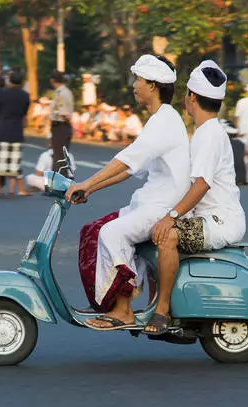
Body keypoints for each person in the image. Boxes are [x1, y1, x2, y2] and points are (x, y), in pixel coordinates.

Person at [66, 54, 190, 330]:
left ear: (153, 86)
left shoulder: (164, 121)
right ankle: (107, 302)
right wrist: (92, 188)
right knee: (92, 229)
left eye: (139, 80)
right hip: (148, 202)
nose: (134, 85)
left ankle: (123, 310)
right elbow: (131, 169)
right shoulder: (160, 119)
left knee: (112, 233)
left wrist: (86, 183)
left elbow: (127, 159)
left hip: (162, 207)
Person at [144, 60, 246, 334]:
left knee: (167, 235)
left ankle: (162, 311)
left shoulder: (208, 135)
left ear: (192, 98)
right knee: (152, 228)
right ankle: (157, 303)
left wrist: (171, 216)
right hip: (210, 217)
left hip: (219, 221)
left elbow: (201, 186)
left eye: (186, 95)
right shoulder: (207, 132)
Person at [0, 70, 32, 197]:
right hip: (17, 130)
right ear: (22, 81)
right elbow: (24, 112)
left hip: (1, 129)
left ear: (10, 81)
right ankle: (13, 189)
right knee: (14, 162)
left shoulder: (3, 94)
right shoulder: (25, 95)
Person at [48, 70, 74, 176]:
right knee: (60, 155)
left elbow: (64, 113)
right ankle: (59, 184)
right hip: (62, 125)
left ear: (52, 80)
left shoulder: (61, 93)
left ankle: (59, 185)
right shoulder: (63, 91)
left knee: (59, 156)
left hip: (61, 125)